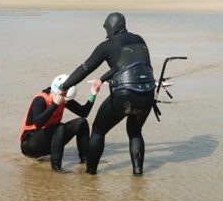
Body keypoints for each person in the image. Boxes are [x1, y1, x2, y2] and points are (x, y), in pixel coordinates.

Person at [60, 12, 156, 176]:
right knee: (135, 132)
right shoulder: (139, 40)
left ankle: (90, 174)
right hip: (147, 94)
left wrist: (64, 87)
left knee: (98, 130)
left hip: (124, 95)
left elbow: (84, 69)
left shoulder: (107, 46)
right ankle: (138, 174)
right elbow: (125, 65)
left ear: (111, 27)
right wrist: (102, 79)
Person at [19, 74, 101, 171]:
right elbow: (38, 123)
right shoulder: (40, 100)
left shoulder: (64, 99)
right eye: (64, 98)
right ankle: (56, 168)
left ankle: (85, 159)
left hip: (49, 140)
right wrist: (54, 105)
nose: (65, 102)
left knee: (81, 123)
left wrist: (93, 94)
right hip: (30, 144)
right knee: (59, 127)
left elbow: (84, 112)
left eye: (66, 99)